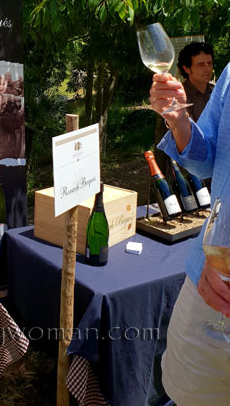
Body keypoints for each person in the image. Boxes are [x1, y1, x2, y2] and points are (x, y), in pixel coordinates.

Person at [150, 64, 230, 406]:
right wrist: (180, 122)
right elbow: (209, 159)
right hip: (208, 284)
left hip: (217, 271)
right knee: (188, 394)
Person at [177, 41, 214, 122]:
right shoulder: (180, 96)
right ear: (186, 69)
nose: (208, 69)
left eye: (209, 63)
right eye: (201, 64)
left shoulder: (217, 92)